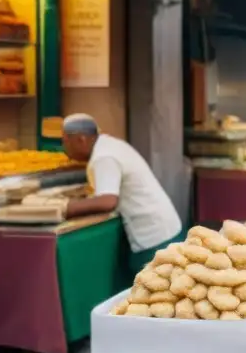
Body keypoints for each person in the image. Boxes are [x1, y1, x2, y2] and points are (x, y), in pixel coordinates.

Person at [60, 114, 183, 277]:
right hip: (167, 230)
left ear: (81, 139)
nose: (64, 147)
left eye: (65, 141)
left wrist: (62, 209)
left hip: (154, 240)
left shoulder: (104, 157)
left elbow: (107, 201)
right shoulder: (111, 145)